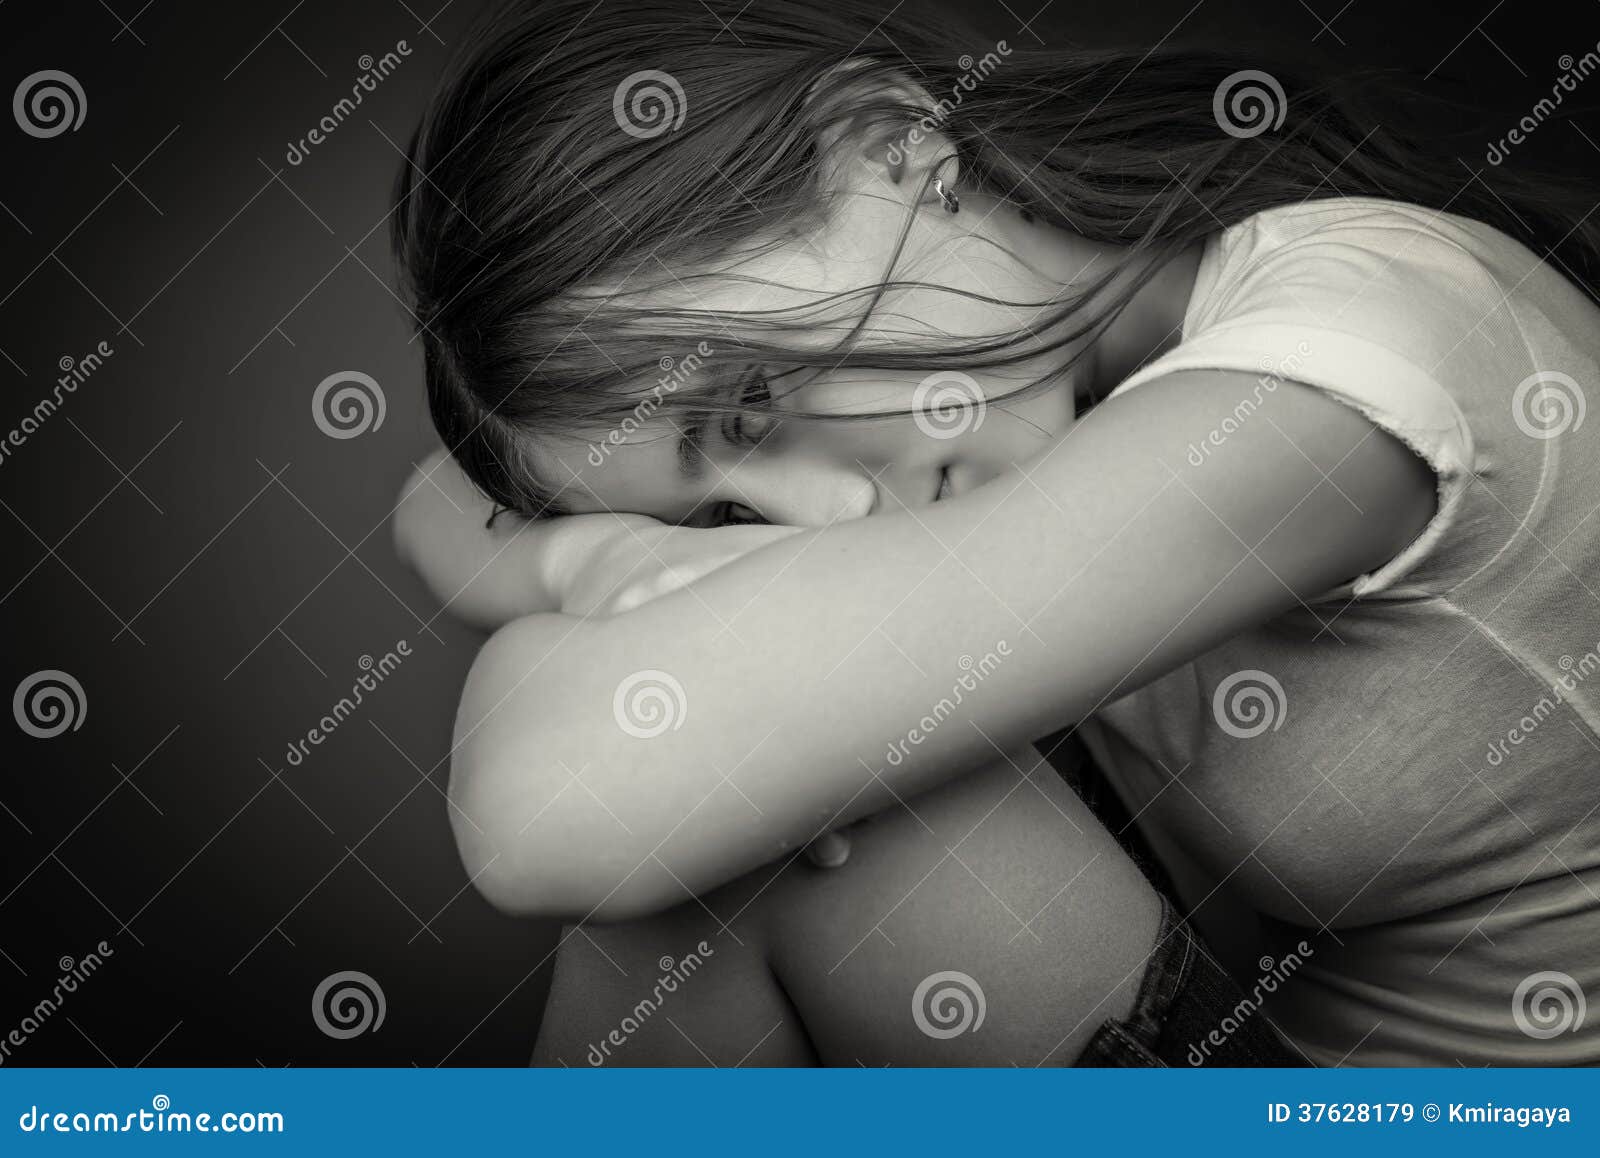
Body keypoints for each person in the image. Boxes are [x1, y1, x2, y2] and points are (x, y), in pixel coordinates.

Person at [391, 0, 1600, 1065]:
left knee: (731, 823)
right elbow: (439, 497)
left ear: (887, 143)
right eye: (724, 508)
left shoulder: (1328, 378)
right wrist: (604, 554)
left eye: (749, 403)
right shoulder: (1118, 342)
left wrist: (639, 590)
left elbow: (546, 807)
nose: (826, 513)